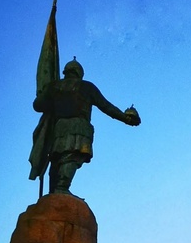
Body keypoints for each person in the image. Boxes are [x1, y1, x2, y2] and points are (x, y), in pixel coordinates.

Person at [31, 58, 140, 194]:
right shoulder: (87, 87)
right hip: (79, 127)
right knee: (73, 156)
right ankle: (62, 188)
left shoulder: (54, 87)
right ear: (79, 73)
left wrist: (46, 93)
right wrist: (126, 119)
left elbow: (37, 106)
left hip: (59, 127)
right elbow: (106, 107)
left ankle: (55, 192)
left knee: (57, 158)